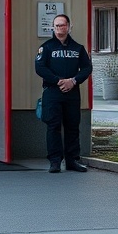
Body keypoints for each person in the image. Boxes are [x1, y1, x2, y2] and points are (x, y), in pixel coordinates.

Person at [35, 13, 92, 173]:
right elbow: (40, 68)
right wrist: (58, 80)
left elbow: (87, 68)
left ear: (69, 27)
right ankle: (55, 161)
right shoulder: (46, 48)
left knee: (72, 126)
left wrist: (73, 81)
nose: (60, 28)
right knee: (53, 127)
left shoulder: (78, 48)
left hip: (72, 93)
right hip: (53, 92)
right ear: (53, 28)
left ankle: (72, 160)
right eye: (57, 25)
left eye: (63, 25)